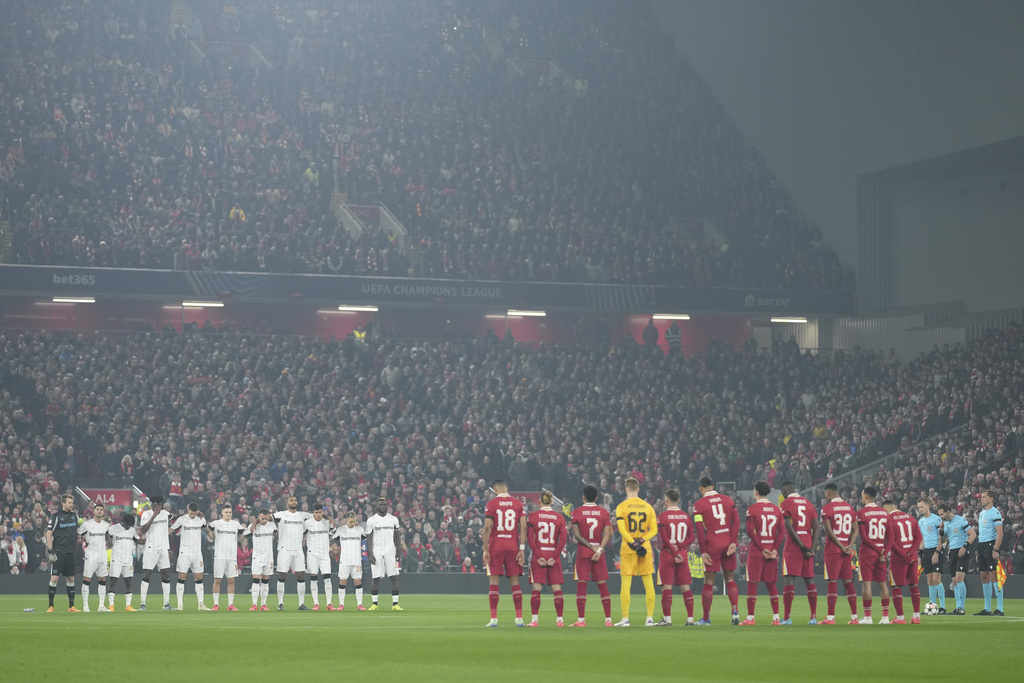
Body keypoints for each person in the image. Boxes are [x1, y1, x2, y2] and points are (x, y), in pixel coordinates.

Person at [692, 476, 740, 625]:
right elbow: (737, 521)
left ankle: (706, 618)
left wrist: (704, 551)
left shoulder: (699, 505)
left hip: (712, 544)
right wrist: (733, 542)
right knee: (730, 579)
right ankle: (735, 613)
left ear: (701, 488)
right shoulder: (728, 500)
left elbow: (700, 530)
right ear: (713, 486)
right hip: (728, 542)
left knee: (709, 581)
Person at [613, 477, 658, 627]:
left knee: (626, 584)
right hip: (645, 547)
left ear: (626, 490)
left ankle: (625, 619)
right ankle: (650, 619)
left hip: (628, 548)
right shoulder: (648, 507)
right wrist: (641, 541)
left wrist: (633, 543)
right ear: (638, 489)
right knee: (648, 583)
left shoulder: (621, 506)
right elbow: (654, 530)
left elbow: (621, 529)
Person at [483, 479, 527, 627]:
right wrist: (521, 549)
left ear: (495, 489)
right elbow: (524, 527)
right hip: (513, 546)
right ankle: (519, 618)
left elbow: (487, 527)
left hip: (496, 546)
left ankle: (494, 619)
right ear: (507, 488)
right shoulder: (518, 504)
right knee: (515, 582)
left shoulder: (492, 504)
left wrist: (485, 548)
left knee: (494, 581)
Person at [568, 485, 613, 627]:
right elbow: (608, 533)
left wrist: (590, 547)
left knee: (581, 585)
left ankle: (581, 620)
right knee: (602, 586)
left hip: (583, 553)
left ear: (583, 497)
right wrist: (598, 550)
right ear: (596, 498)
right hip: (599, 553)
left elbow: (576, 534)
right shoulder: (604, 512)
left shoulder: (577, 512)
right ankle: (608, 620)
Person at [740, 481, 784, 626]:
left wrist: (761, 549)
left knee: (752, 583)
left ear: (756, 493)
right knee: (771, 584)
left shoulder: (752, 509)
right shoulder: (776, 510)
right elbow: (782, 532)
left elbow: (749, 532)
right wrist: (774, 549)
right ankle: (776, 618)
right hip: (772, 551)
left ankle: (751, 618)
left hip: (757, 552)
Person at [780, 481, 820, 625]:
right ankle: (813, 617)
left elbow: (788, 527)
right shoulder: (808, 503)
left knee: (789, 579)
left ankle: (787, 618)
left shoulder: (786, 504)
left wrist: (802, 547)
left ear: (784, 492)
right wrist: (811, 548)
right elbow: (817, 527)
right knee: (809, 579)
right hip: (808, 546)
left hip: (793, 547)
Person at [526, 491, 568, 626]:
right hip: (553, 555)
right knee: (557, 589)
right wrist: (554, 557)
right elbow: (563, 540)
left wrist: (538, 556)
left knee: (536, 588)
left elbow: (530, 539)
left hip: (539, 556)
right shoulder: (559, 518)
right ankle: (560, 620)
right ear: (551, 502)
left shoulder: (533, 517)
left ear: (539, 501)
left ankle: (534, 620)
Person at [819, 483, 860, 624]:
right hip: (847, 550)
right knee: (848, 582)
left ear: (829, 493)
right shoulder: (849, 507)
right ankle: (854, 617)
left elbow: (829, 532)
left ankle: (830, 617)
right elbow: (856, 530)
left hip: (833, 550)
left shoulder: (827, 509)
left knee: (832, 581)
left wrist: (842, 547)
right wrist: (849, 545)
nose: (825, 498)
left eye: (826, 495)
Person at [654, 488, 695, 626]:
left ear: (666, 500)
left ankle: (667, 619)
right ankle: (690, 619)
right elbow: (692, 538)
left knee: (666, 587)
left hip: (668, 554)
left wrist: (674, 551)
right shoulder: (686, 516)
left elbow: (665, 539)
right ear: (678, 500)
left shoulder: (663, 517)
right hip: (682, 554)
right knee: (685, 587)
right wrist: (680, 547)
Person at [856, 486, 891, 624]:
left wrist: (877, 550)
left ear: (865, 497)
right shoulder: (884, 512)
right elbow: (891, 536)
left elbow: (864, 537)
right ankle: (885, 617)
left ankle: (868, 617)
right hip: (882, 552)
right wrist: (884, 552)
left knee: (867, 584)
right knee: (883, 584)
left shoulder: (861, 513)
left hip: (868, 552)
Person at [883, 500, 922, 624]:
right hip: (912, 557)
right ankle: (916, 616)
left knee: (896, 586)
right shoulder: (910, 517)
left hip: (899, 558)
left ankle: (900, 618)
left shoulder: (888, 519)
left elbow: (891, 542)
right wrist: (911, 553)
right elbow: (919, 537)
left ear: (885, 510)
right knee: (914, 585)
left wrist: (904, 556)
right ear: (895, 506)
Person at [365, 497, 404, 611]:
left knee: (393, 576)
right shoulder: (371, 520)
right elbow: (369, 537)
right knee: (376, 578)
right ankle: (374, 604)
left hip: (390, 551)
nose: (382, 506)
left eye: (384, 504)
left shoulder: (393, 519)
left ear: (387, 506)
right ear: (377, 506)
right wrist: (370, 554)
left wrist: (398, 551)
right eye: (380, 504)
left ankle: (395, 604)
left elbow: (397, 536)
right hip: (377, 551)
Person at [273, 495, 311, 610]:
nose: (294, 502)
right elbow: (268, 518)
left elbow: (317, 517)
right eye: (291, 500)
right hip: (284, 548)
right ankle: (280, 603)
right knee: (282, 575)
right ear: (287, 503)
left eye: (295, 500)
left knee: (301, 574)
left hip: (298, 549)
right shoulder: (281, 515)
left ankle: (301, 604)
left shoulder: (302, 515)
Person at [170, 503, 210, 610]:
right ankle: (180, 604)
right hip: (185, 553)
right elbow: (172, 530)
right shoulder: (182, 520)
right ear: (188, 510)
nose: (193, 515)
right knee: (182, 577)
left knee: (199, 578)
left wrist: (213, 537)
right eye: (191, 513)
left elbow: (206, 530)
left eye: (194, 513)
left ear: (197, 511)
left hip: (197, 553)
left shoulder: (201, 519)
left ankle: (201, 604)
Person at [46, 493, 81, 613]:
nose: (71, 504)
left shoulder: (75, 516)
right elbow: (49, 533)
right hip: (59, 552)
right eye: (69, 502)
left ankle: (71, 606)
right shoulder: (56, 516)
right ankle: (51, 606)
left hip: (70, 552)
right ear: (63, 503)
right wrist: (50, 550)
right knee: (54, 579)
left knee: (71, 579)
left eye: (72, 502)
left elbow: (82, 527)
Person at [137, 495, 172, 611]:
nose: (158, 507)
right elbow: (143, 530)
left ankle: (166, 604)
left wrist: (189, 514)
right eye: (156, 504)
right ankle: (143, 604)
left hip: (163, 548)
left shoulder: (165, 514)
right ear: (151, 504)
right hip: (151, 548)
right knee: (147, 574)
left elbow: (174, 517)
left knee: (166, 574)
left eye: (160, 505)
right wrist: (154, 515)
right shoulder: (146, 514)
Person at [937, 503, 972, 615]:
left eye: (942, 514)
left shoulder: (961, 520)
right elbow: (942, 540)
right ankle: (958, 608)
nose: (941, 516)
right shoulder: (945, 523)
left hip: (962, 551)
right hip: (952, 552)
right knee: (954, 581)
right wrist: (941, 531)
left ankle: (961, 608)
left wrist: (965, 546)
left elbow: (973, 534)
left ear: (948, 511)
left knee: (959, 579)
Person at [209, 504, 245, 610]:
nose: (228, 514)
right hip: (219, 555)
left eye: (230, 512)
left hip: (232, 557)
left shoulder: (236, 524)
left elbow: (244, 533)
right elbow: (207, 530)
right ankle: (216, 604)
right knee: (217, 580)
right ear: (222, 513)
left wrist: (238, 540)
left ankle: (230, 604)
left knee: (231, 580)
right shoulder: (216, 523)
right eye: (226, 512)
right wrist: (211, 537)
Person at [975, 490, 1005, 616]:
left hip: (990, 545)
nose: (981, 499)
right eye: (981, 497)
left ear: (991, 499)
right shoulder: (982, 513)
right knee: (984, 576)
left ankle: (1000, 608)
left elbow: (1000, 533)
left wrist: (995, 549)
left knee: (993, 575)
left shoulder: (995, 513)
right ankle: (987, 608)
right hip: (982, 546)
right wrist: (978, 550)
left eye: (984, 497)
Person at [78, 502, 110, 612]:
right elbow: (79, 534)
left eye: (101, 509)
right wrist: (84, 543)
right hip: (91, 555)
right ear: (94, 511)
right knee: (87, 579)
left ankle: (101, 605)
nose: (99, 511)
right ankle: (85, 605)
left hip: (102, 555)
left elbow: (107, 538)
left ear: (103, 512)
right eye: (97, 509)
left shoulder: (106, 525)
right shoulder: (87, 524)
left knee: (102, 579)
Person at [303, 504, 336, 611]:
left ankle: (329, 603)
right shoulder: (308, 523)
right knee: (313, 578)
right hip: (312, 554)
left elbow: (334, 531)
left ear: (323, 512)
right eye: (316, 512)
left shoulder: (327, 522)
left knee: (327, 578)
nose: (318, 514)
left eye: (320, 512)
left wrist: (330, 519)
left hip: (324, 554)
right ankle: (316, 603)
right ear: (313, 512)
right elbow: (301, 535)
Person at [244, 509, 277, 611]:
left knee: (266, 581)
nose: (264, 520)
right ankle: (254, 604)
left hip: (268, 557)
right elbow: (246, 534)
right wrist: (255, 523)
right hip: (257, 557)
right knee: (256, 580)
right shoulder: (253, 526)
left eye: (266, 518)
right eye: (262, 518)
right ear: (259, 517)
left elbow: (275, 526)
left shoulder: (271, 525)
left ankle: (263, 604)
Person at [107, 512, 141, 611]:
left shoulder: (132, 530)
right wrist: (108, 538)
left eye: (131, 525)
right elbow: (108, 539)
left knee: (129, 582)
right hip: (116, 558)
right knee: (113, 580)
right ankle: (111, 605)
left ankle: (128, 606)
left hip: (128, 559)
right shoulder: (113, 528)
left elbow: (137, 540)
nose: (129, 526)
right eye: (128, 524)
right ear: (123, 522)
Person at [916, 498, 945, 614]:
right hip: (927, 551)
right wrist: (920, 554)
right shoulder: (921, 521)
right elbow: (922, 539)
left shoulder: (936, 519)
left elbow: (942, 538)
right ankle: (932, 606)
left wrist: (937, 553)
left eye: (922, 507)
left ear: (928, 506)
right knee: (929, 580)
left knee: (937, 579)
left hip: (936, 550)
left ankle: (942, 607)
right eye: (919, 507)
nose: (920, 509)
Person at [334, 511, 366, 610]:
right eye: (351, 521)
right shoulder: (341, 530)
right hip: (344, 560)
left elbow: (365, 538)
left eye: (354, 521)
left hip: (356, 560)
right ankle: (341, 604)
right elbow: (334, 540)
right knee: (342, 581)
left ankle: (360, 604)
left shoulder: (360, 529)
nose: (353, 523)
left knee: (358, 582)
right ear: (346, 519)